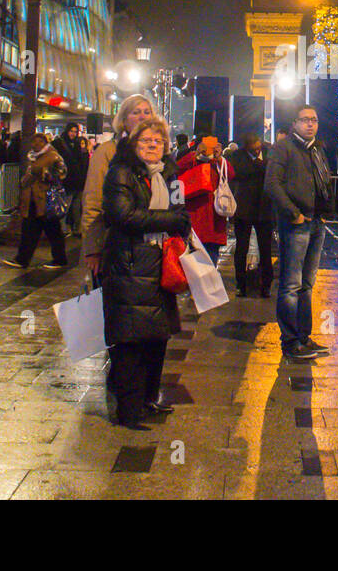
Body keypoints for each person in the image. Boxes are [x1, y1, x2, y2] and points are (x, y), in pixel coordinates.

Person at [102, 117, 192, 429]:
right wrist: (168, 220)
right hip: (129, 265)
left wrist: (177, 220)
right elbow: (122, 215)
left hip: (160, 264)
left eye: (158, 141)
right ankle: (128, 410)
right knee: (130, 341)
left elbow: (181, 211)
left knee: (157, 337)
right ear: (133, 143)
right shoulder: (121, 172)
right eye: (146, 141)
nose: (153, 146)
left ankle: (148, 399)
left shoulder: (170, 173)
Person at [265, 104, 334, 360]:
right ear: (294, 123)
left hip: (317, 221)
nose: (310, 124)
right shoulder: (284, 147)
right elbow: (272, 184)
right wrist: (293, 213)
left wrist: (326, 211)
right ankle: (290, 341)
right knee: (291, 285)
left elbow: (324, 181)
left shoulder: (317, 148)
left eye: (314, 120)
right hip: (296, 222)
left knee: (307, 284)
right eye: (305, 120)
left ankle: (304, 337)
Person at [83, 95, 157, 283]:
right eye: (136, 112)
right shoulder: (108, 151)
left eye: (147, 112)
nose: (143, 117)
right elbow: (93, 200)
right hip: (115, 246)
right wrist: (93, 248)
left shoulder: (158, 152)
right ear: (123, 120)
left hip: (151, 245)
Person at [7, 133, 68, 270]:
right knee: (30, 229)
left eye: (39, 142)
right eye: (34, 142)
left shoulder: (53, 156)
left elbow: (62, 173)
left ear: (45, 143)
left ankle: (59, 259)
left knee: (52, 229)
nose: (35, 144)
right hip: (32, 199)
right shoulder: (33, 157)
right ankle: (22, 259)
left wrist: (45, 174)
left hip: (46, 199)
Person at [227, 133, 274, 297]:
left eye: (258, 147)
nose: (256, 151)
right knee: (241, 248)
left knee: (266, 249)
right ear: (247, 147)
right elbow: (238, 173)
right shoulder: (237, 156)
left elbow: (272, 172)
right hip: (244, 209)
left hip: (264, 209)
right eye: (253, 149)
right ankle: (241, 284)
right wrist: (260, 165)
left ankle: (266, 284)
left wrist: (259, 165)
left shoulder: (269, 153)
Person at [177, 135, 235, 265]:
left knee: (210, 265)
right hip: (193, 220)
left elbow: (230, 174)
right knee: (191, 266)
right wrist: (195, 154)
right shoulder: (191, 160)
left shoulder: (218, 163)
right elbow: (176, 169)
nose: (208, 149)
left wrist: (219, 157)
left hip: (214, 222)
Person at [53, 122, 88, 236]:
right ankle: (62, 228)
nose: (73, 134)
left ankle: (75, 228)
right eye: (71, 131)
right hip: (66, 180)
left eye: (75, 132)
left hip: (77, 180)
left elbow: (82, 162)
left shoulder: (77, 144)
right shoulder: (60, 143)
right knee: (65, 205)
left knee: (76, 206)